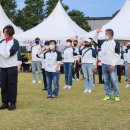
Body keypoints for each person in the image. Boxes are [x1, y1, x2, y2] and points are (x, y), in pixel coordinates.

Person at [96, 28, 121, 102]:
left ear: (110, 34)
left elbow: (117, 55)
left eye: (106, 34)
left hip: (111, 65)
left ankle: (116, 95)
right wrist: (97, 33)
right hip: (104, 64)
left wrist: (113, 65)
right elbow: (95, 40)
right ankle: (108, 95)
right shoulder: (104, 42)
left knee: (114, 80)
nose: (105, 35)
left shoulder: (116, 42)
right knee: (106, 81)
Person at [0, 25, 19, 110]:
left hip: (11, 66)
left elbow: (9, 54)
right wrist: (2, 52)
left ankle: (12, 102)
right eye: (4, 31)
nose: (4, 33)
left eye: (5, 31)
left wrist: (1, 52)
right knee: (3, 85)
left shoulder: (15, 42)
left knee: (12, 85)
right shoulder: (2, 42)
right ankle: (5, 102)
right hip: (2, 66)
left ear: (9, 32)